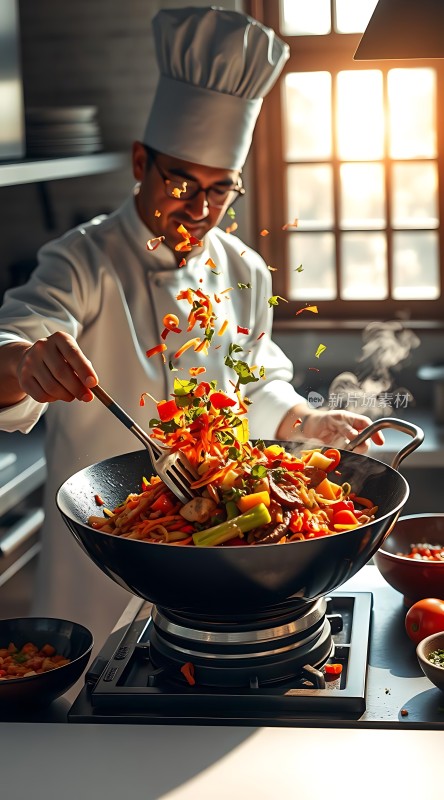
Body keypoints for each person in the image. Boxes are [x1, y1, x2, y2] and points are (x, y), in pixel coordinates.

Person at [0, 7, 383, 649]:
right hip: (110, 557)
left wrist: (306, 422)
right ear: (140, 162)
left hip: (223, 567)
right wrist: (25, 363)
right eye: (181, 183)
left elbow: (254, 385)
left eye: (220, 190)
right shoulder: (83, 258)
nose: (200, 210)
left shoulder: (244, 268)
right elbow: (13, 339)